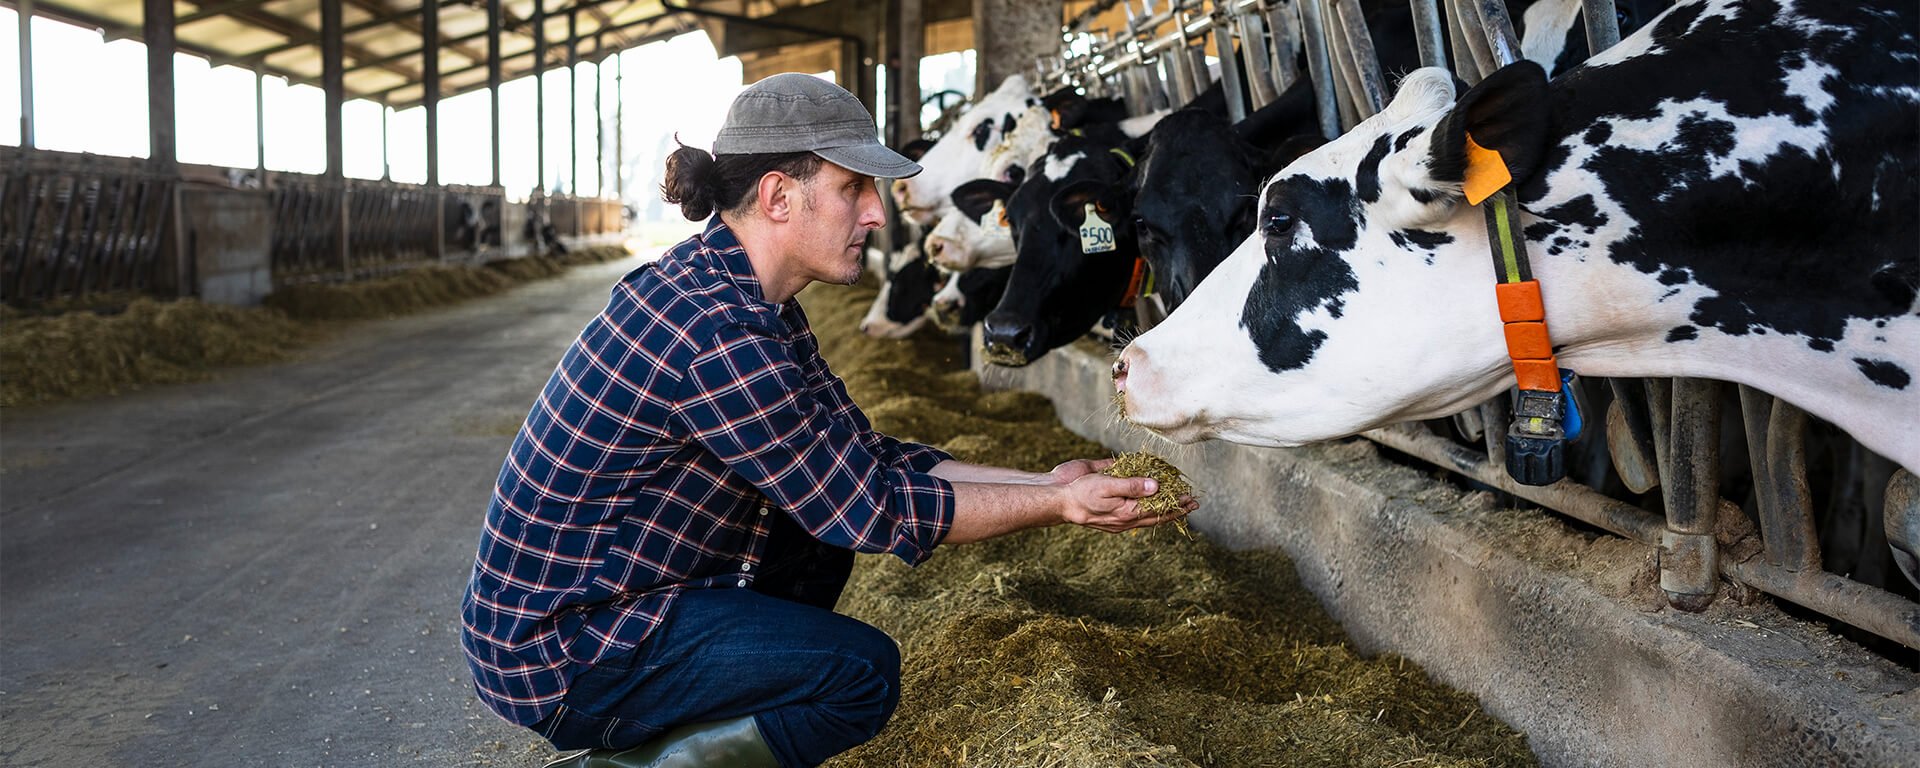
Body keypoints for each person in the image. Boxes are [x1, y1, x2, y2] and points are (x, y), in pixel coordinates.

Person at [460, 73, 1193, 768]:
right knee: (859, 674)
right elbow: (873, 507)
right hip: (561, 650)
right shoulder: (716, 330)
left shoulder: (751, 298)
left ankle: (710, 722)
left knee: (815, 543)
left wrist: (1049, 482)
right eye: (853, 188)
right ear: (779, 196)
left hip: (605, 599)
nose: (877, 213)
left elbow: (865, 459)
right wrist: (1060, 507)